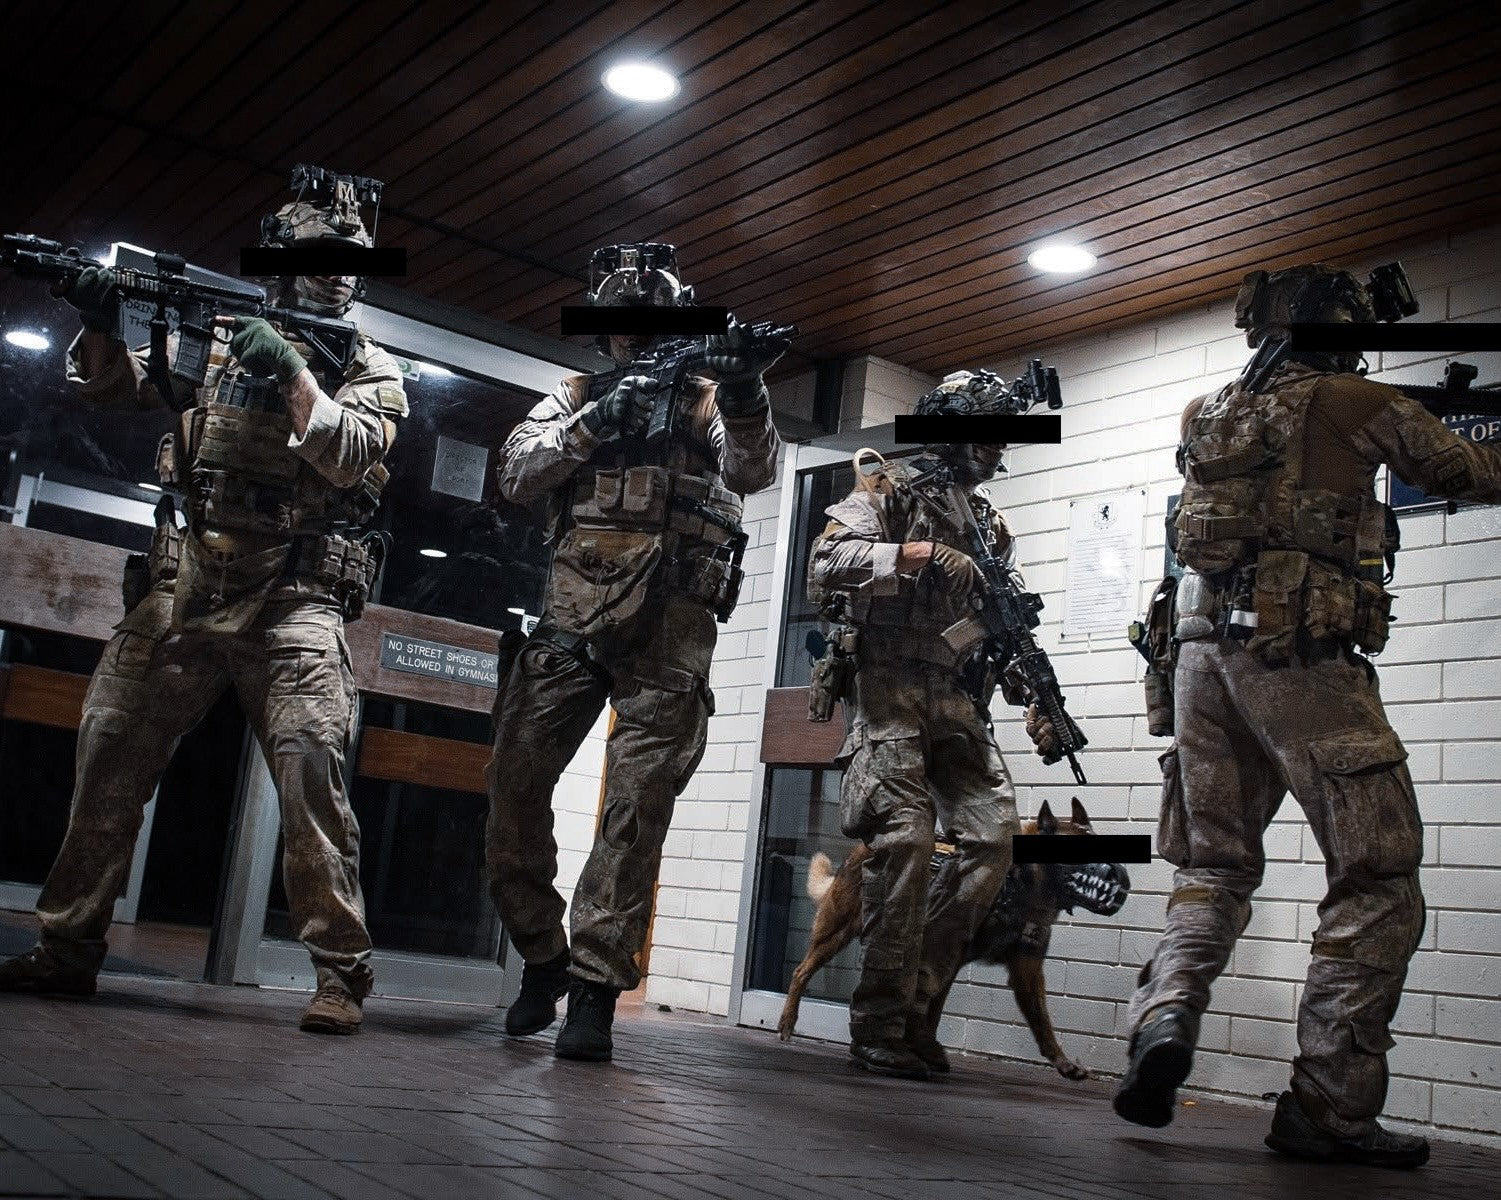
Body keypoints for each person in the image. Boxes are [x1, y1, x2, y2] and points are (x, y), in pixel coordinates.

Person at [0, 171, 407, 1035]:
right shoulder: (217, 336)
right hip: (185, 579)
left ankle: (341, 974)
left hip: (295, 593)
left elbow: (349, 452)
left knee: (311, 775)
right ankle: (68, 947)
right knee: (110, 745)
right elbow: (111, 390)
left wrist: (292, 368)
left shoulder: (371, 367)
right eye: (317, 257)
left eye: (349, 261)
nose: (335, 273)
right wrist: (101, 316)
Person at [1115, 262, 1501, 1167]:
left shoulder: (1204, 411)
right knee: (1376, 879)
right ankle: (1327, 1110)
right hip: (1300, 664)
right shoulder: (1352, 400)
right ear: (1339, 327)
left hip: (1200, 663)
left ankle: (1164, 1012)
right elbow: (1469, 470)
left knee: (1211, 865)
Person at [485, 243, 783, 1061]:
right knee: (512, 793)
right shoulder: (576, 392)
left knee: (633, 814)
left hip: (671, 624)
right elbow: (515, 473)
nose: (636, 339)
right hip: (573, 615)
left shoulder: (709, 398)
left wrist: (750, 390)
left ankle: (592, 990)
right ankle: (543, 957)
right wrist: (594, 423)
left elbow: (754, 471)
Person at [806, 371, 1056, 1079]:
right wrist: (918, 555)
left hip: (954, 697)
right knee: (908, 840)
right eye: (987, 429)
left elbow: (993, 629)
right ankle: (877, 1021)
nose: (997, 445)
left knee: (993, 842)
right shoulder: (888, 491)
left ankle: (916, 1005)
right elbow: (826, 565)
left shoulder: (989, 524)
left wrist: (1033, 697)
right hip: (888, 687)